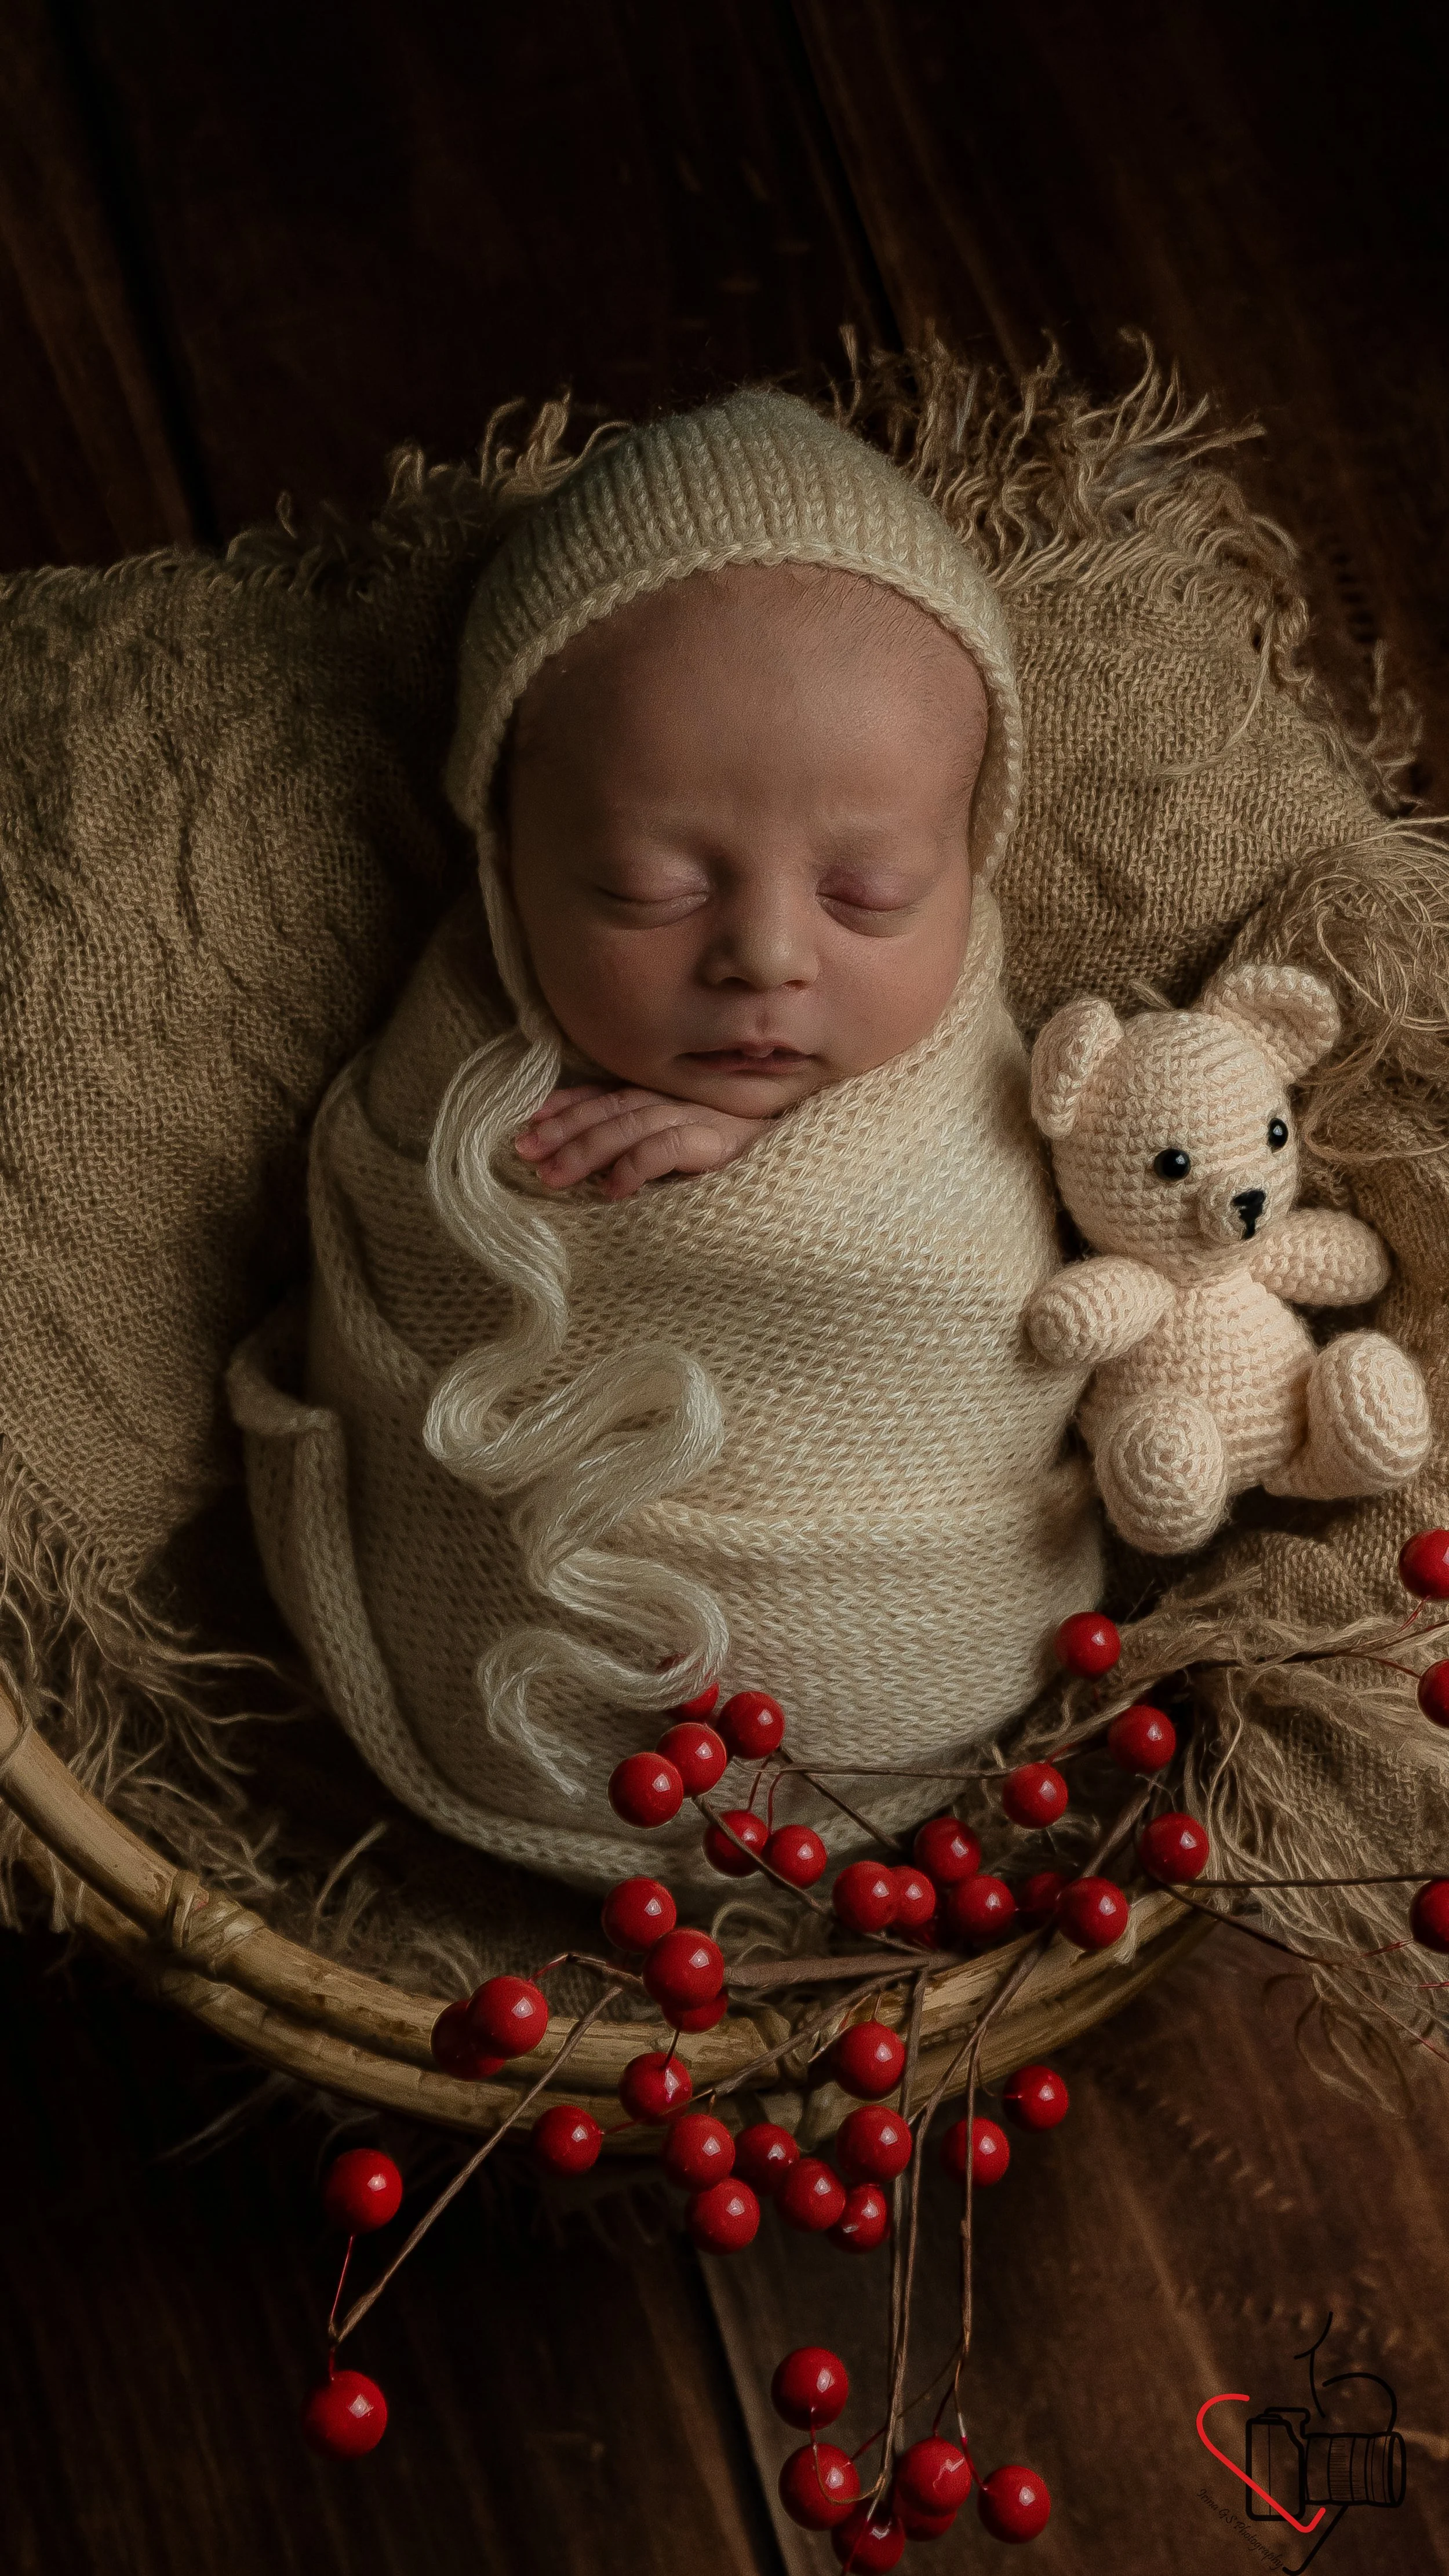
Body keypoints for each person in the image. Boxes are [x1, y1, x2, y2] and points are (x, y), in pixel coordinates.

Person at [235, 387, 1103, 1889]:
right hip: (506, 1696)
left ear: (969, 866)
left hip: (945, 1680)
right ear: (505, 859)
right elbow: (406, 1253)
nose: (766, 956)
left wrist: (780, 1177)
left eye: (872, 894)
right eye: (648, 889)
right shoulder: (454, 1062)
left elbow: (995, 1272)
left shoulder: (992, 1080)